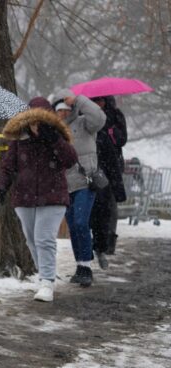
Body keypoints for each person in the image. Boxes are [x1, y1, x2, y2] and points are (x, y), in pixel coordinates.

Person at [0, 97, 78, 302]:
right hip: (24, 198)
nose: (36, 126)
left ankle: (47, 282)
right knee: (32, 240)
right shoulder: (19, 140)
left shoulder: (57, 137)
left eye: (40, 120)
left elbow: (70, 160)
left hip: (53, 197)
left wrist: (54, 140)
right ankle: (44, 276)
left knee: (44, 238)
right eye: (33, 120)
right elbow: (7, 167)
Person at [51, 90, 106, 287]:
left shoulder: (85, 124)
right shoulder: (54, 131)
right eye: (59, 110)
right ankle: (81, 265)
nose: (63, 113)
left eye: (66, 109)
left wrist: (80, 99)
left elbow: (99, 118)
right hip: (64, 184)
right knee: (73, 226)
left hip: (85, 181)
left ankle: (86, 266)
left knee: (82, 222)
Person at [90, 95, 127, 263]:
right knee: (95, 205)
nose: (99, 104)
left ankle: (108, 240)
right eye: (95, 101)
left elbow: (121, 140)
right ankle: (95, 239)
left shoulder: (116, 117)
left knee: (109, 206)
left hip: (111, 166)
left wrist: (109, 130)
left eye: (101, 101)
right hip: (93, 165)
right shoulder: (88, 116)